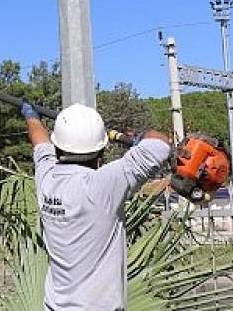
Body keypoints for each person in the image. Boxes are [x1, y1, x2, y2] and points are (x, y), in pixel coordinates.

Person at [23, 101, 172, 311]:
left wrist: (31, 116)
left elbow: (39, 141)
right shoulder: (104, 185)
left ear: (57, 148)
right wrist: (138, 137)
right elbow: (160, 144)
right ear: (101, 152)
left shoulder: (46, 177)